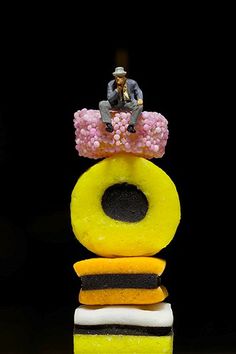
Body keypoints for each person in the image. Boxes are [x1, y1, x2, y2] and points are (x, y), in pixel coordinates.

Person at [99, 67, 143, 133]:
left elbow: (138, 91)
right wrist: (116, 91)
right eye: (116, 77)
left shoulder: (132, 83)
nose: (118, 79)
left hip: (127, 103)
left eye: (120, 77)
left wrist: (140, 98)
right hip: (115, 104)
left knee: (139, 106)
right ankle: (108, 125)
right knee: (102, 104)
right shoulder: (110, 84)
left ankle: (131, 126)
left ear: (124, 76)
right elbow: (109, 98)